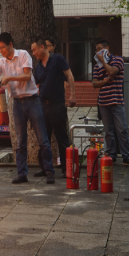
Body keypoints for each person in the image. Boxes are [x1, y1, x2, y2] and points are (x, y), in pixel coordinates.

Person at [0, 32, 56, 184]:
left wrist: (8, 78)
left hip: (33, 101)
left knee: (43, 139)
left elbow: (27, 75)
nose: (1, 51)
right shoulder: (2, 62)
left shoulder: (23, 55)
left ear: (10, 44)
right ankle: (22, 174)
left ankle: (49, 172)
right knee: (21, 141)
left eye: (3, 47)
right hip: (17, 104)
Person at [31, 37, 76, 177]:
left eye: (34, 50)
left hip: (57, 104)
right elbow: (36, 86)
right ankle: (45, 167)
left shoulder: (58, 59)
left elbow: (69, 76)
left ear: (42, 47)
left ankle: (66, 168)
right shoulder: (38, 67)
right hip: (43, 106)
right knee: (44, 138)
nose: (33, 53)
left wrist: (72, 95)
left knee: (61, 137)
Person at [92, 39, 129, 166]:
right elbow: (95, 83)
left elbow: (112, 71)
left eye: (100, 49)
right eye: (96, 50)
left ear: (107, 48)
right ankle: (111, 155)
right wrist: (106, 80)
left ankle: (126, 156)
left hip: (116, 101)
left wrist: (104, 62)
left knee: (122, 129)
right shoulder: (97, 66)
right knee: (108, 131)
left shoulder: (118, 60)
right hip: (103, 102)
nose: (98, 52)